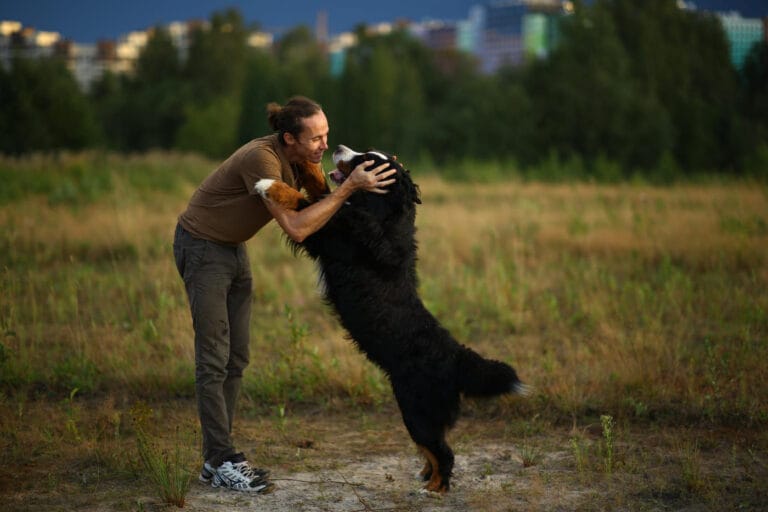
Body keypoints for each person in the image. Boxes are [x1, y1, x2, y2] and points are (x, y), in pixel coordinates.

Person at [173, 96, 396, 492]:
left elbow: (323, 206)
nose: (324, 145)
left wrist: (371, 189)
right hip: (202, 247)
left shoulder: (304, 159)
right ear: (289, 138)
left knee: (236, 357)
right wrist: (348, 189)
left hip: (232, 249)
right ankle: (221, 459)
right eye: (316, 138)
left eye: (326, 135)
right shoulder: (261, 160)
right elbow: (297, 227)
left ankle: (214, 459)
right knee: (213, 359)